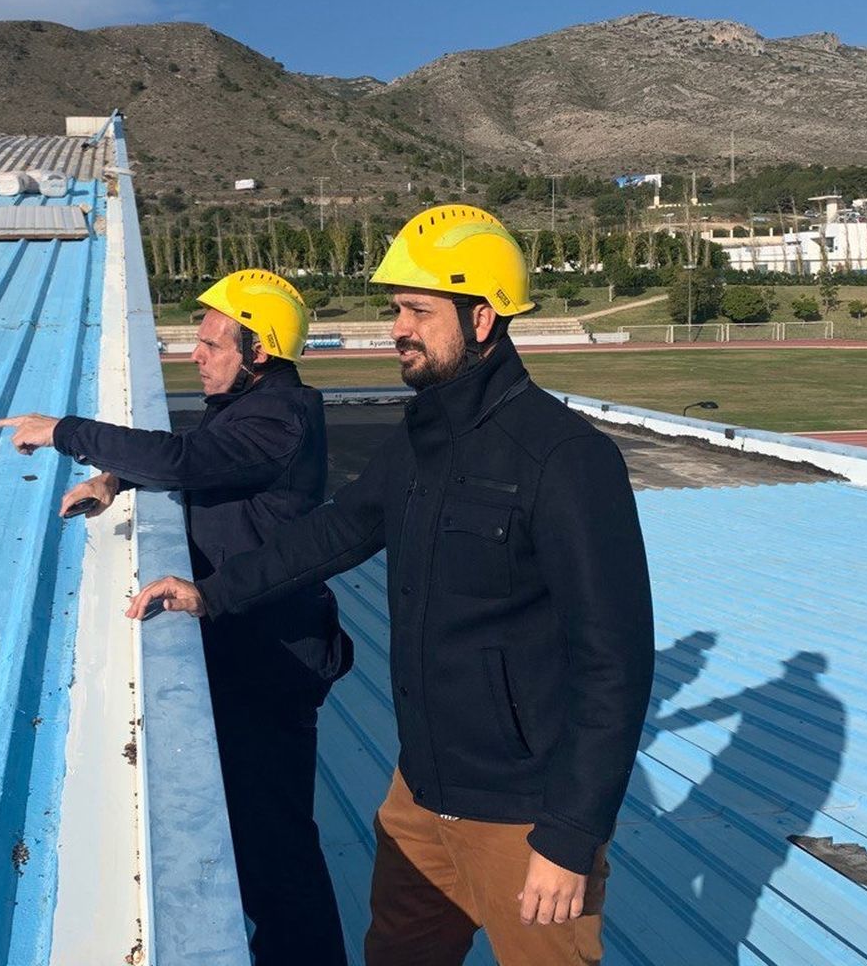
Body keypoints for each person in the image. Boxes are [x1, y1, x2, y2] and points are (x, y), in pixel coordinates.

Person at [129, 205, 655, 966]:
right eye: (395, 309)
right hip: (418, 800)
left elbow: (616, 661)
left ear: (482, 319)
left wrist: (571, 837)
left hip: (523, 819)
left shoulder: (566, 460)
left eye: (417, 310)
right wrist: (214, 592)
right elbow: (336, 531)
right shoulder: (421, 439)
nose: (396, 328)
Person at [0, 269, 352, 966]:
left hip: (270, 662)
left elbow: (186, 457)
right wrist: (114, 480)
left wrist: (65, 431)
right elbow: (198, 467)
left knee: (278, 853)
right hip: (249, 648)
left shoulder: (279, 415)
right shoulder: (250, 408)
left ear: (260, 352)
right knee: (260, 843)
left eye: (214, 342)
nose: (197, 353)